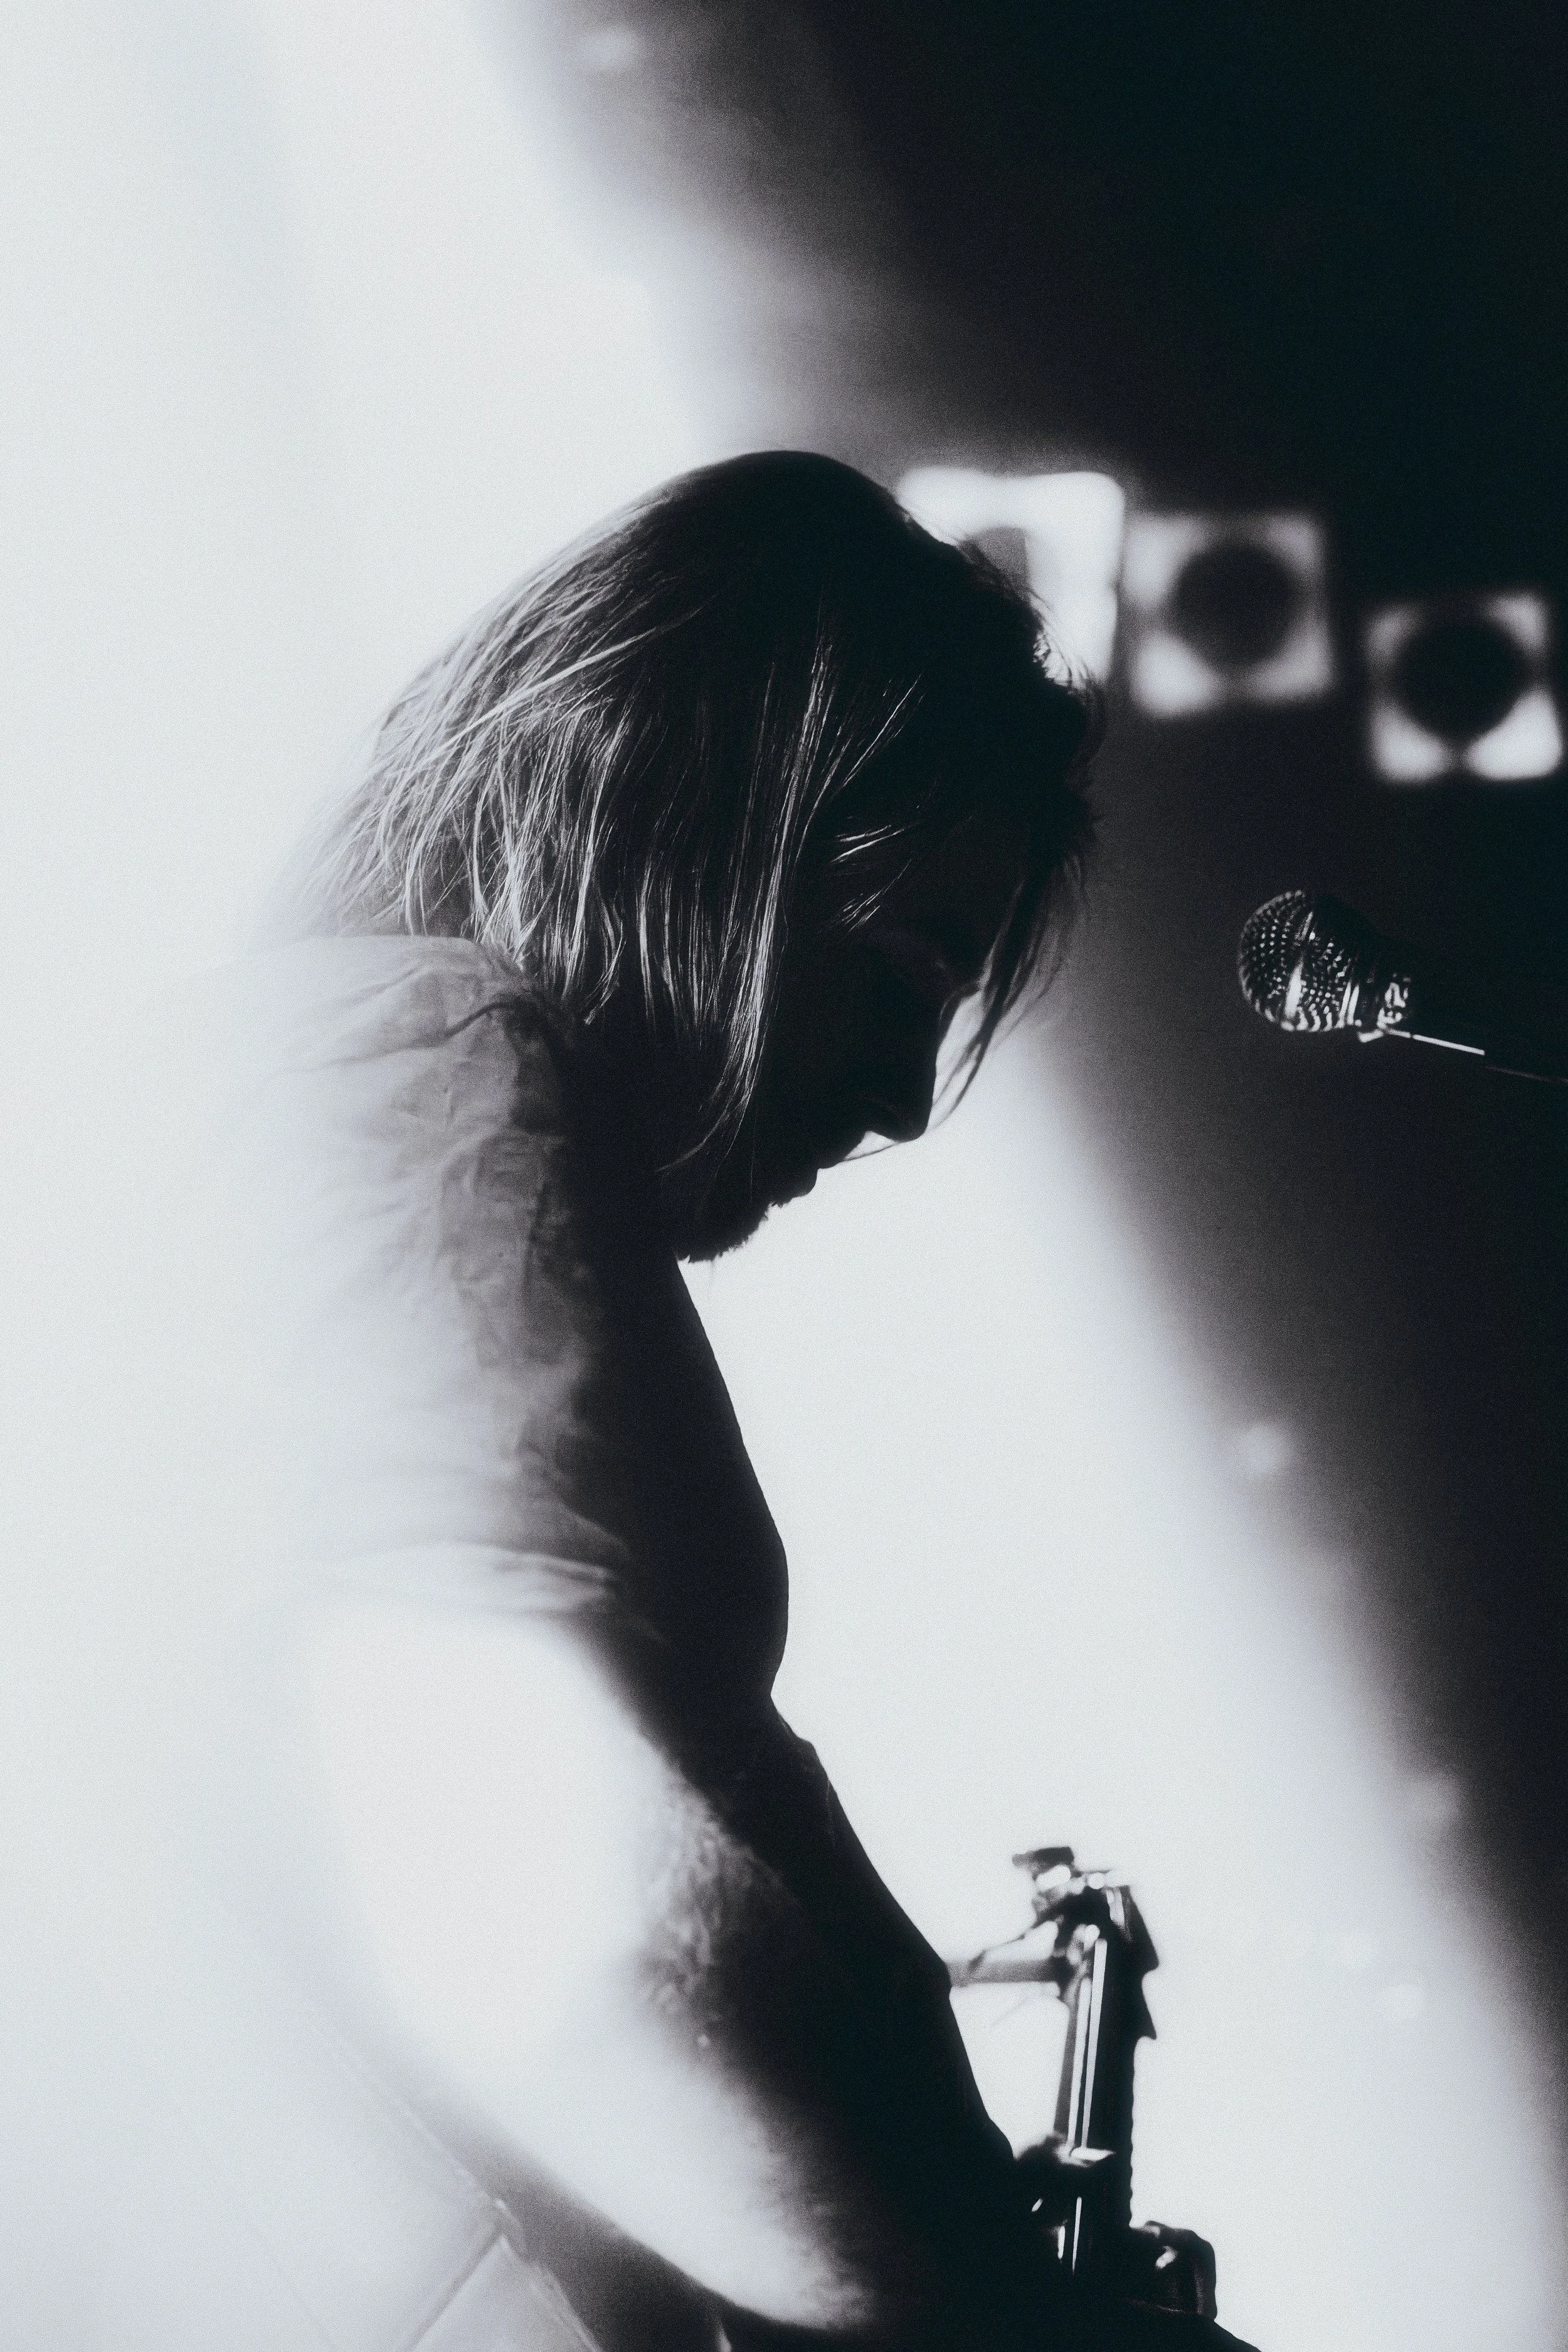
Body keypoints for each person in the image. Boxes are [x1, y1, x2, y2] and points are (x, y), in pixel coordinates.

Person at [122, 451, 1252, 2352]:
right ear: (691, 819)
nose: (901, 1099)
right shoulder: (414, 1066)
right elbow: (547, 1907)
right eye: (899, 966)